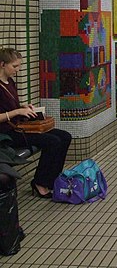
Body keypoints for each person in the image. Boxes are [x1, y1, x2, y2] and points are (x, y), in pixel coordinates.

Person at [0, 48, 71, 198]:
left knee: (65, 136)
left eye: (19, 66)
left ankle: (52, 180)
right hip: (7, 133)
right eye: (15, 66)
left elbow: (11, 106)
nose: (18, 70)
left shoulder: (10, 82)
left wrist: (23, 107)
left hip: (19, 127)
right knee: (52, 141)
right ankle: (40, 182)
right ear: (2, 64)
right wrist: (17, 112)